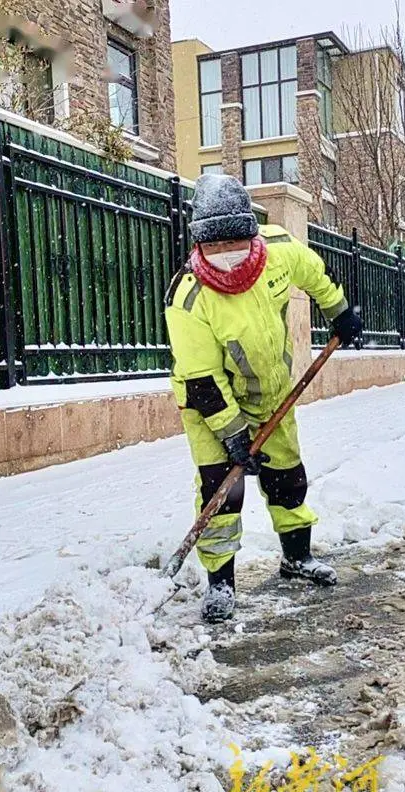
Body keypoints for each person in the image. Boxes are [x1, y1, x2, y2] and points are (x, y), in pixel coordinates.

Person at [165, 174, 362, 622]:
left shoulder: (277, 252)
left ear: (250, 233)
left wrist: (339, 312)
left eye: (235, 238)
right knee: (222, 489)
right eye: (216, 245)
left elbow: (316, 273)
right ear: (200, 245)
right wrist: (233, 436)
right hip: (210, 406)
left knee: (287, 476)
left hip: (271, 393)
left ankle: (297, 557)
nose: (227, 252)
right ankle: (220, 584)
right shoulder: (188, 298)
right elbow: (202, 379)